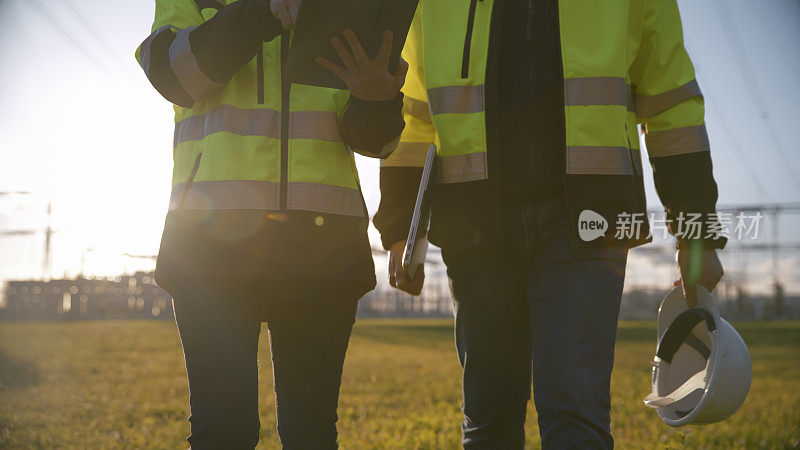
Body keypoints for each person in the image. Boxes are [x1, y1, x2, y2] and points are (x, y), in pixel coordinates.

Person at [375, 1, 726, 448]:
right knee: (489, 420)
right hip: (475, 230)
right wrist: (403, 229)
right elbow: (414, 113)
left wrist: (696, 231)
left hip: (587, 224)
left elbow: (670, 100)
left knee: (574, 414)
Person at [135, 0, 408, 447]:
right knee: (222, 431)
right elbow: (173, 74)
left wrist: (376, 100)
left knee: (311, 435)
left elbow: (377, 143)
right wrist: (263, 11)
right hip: (211, 249)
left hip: (323, 247)